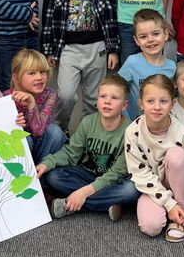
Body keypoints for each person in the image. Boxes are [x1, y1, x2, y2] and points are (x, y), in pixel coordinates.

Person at [40, 0, 120, 132]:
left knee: (94, 99)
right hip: (68, 48)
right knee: (66, 95)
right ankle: (59, 133)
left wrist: (113, 49)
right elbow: (48, 17)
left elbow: (110, 17)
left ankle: (87, 137)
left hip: (97, 47)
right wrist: (48, 50)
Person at [36, 74, 139, 222]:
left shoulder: (130, 131)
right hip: (88, 174)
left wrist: (83, 192)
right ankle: (107, 203)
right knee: (53, 176)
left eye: (114, 98)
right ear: (97, 100)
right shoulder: (88, 122)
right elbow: (71, 153)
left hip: (113, 180)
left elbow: (116, 173)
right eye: (103, 96)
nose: (107, 101)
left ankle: (69, 204)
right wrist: (47, 163)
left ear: (124, 105)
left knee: (132, 190)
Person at [124, 74, 184, 242]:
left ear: (172, 104)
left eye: (163, 101)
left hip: (183, 186)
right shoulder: (132, 132)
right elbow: (140, 173)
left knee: (176, 155)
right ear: (141, 104)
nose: (157, 107)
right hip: (154, 187)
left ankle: (181, 214)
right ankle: (172, 210)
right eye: (150, 101)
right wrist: (169, 204)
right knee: (151, 227)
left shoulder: (182, 133)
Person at [8, 49, 66, 164]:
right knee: (24, 138)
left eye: (42, 72)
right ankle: (26, 171)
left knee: (55, 131)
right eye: (32, 73)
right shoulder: (8, 97)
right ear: (16, 78)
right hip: (21, 150)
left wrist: (31, 104)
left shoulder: (50, 95)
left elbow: (39, 132)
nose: (39, 77)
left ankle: (41, 170)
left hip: (44, 147)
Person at [117, 9, 176, 119]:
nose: (150, 40)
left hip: (160, 122)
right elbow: (116, 89)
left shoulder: (171, 66)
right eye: (143, 36)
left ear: (166, 34)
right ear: (136, 40)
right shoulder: (132, 62)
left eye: (156, 34)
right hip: (134, 122)